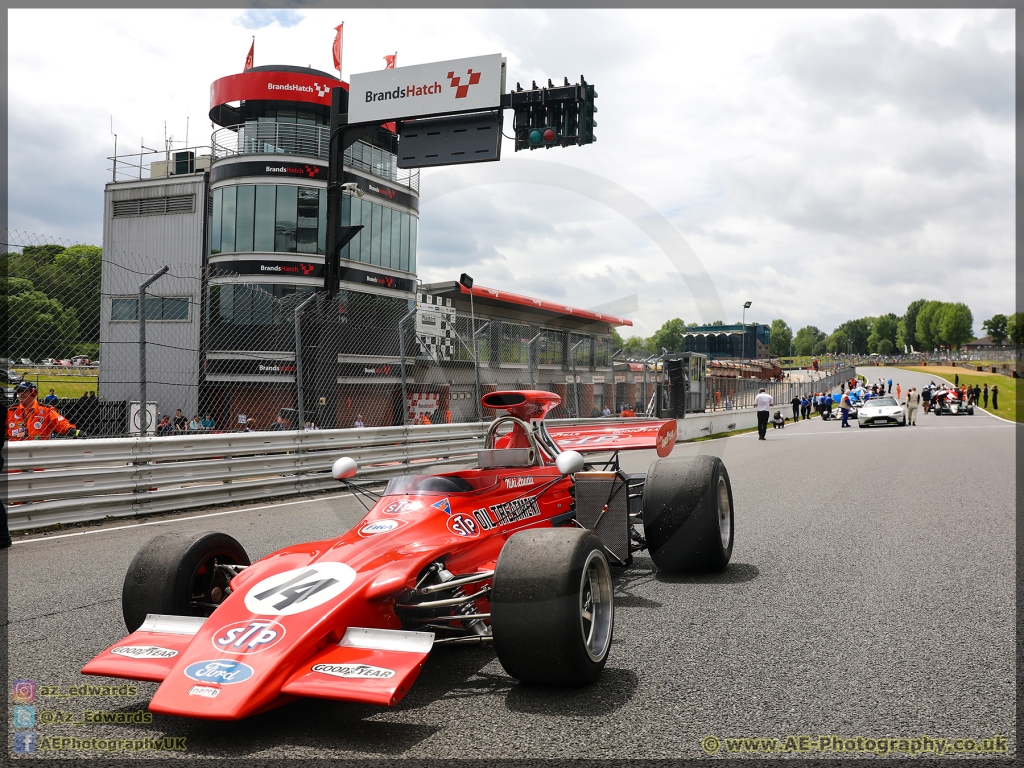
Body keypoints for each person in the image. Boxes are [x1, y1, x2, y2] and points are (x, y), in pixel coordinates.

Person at [7, 381, 78, 440]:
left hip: (38, 450)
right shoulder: (10, 410)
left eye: (23, 391)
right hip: (15, 450)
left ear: (33, 392)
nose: (20, 393)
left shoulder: (46, 410)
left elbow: (58, 421)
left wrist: (71, 430)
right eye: (18, 391)